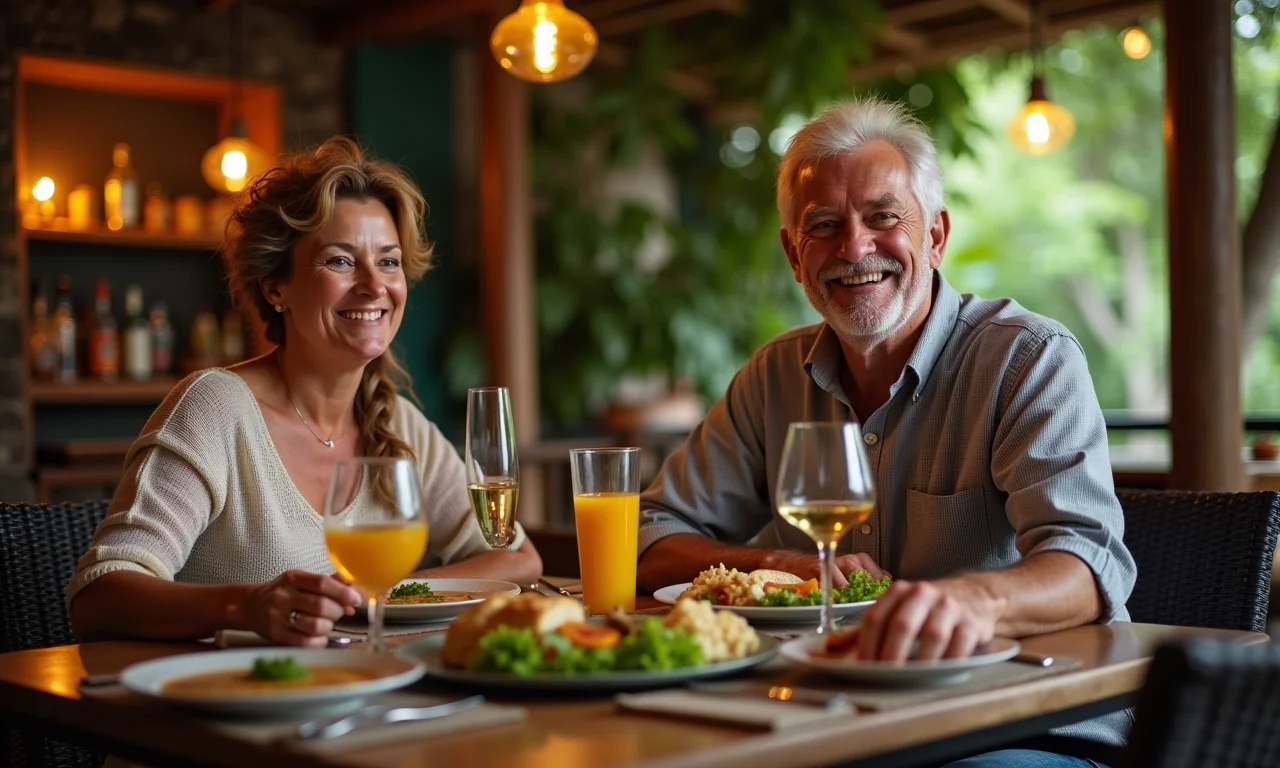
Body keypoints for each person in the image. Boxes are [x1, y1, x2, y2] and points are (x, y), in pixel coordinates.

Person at [635, 99, 1136, 765]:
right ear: (793, 253)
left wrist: (971, 602)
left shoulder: (1027, 358)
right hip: (833, 719)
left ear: (934, 236)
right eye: (824, 225)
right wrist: (786, 569)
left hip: (1019, 724)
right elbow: (652, 535)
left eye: (883, 217)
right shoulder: (774, 375)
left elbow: (1087, 567)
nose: (854, 248)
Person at [68, 137, 542, 647]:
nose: (373, 285)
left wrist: (381, 593)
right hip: (230, 709)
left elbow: (518, 558)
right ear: (276, 288)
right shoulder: (217, 408)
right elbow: (101, 596)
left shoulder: (396, 421)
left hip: (365, 700)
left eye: (389, 261)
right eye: (340, 261)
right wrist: (247, 606)